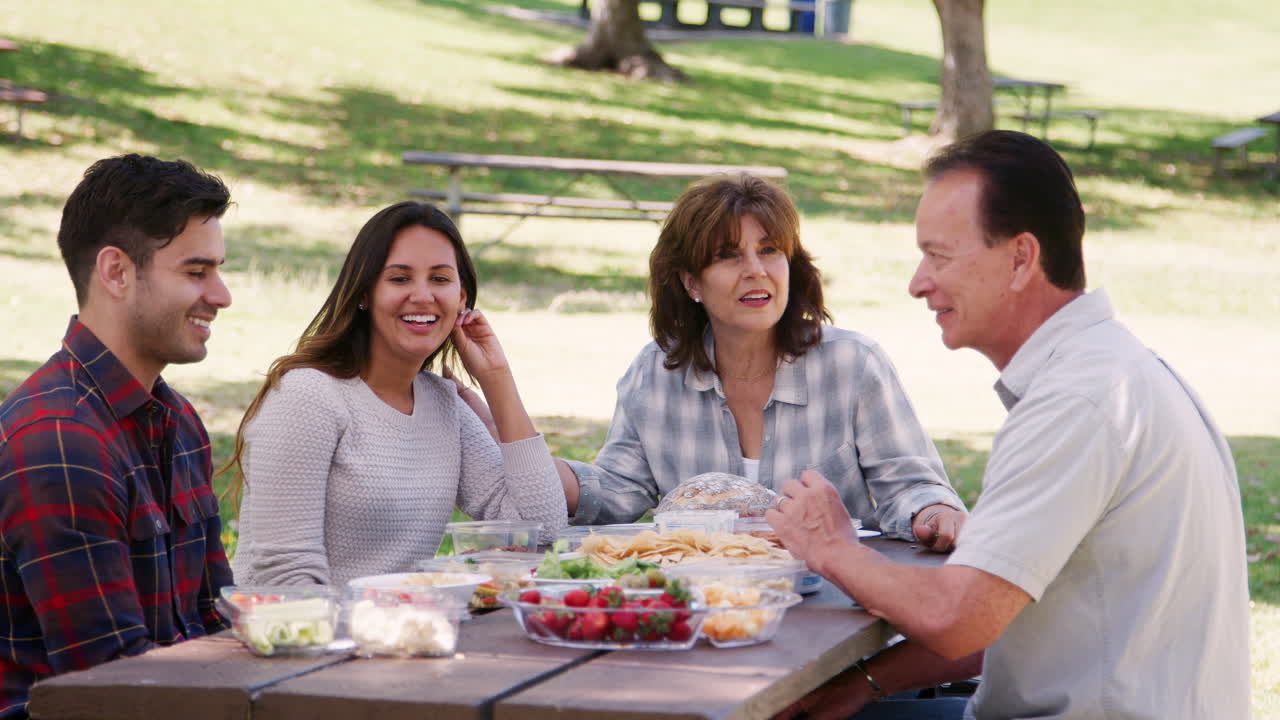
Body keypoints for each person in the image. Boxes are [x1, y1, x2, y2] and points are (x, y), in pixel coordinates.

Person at [768, 130, 1250, 719]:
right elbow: (999, 612)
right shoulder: (1112, 372)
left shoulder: (1076, 402)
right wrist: (863, 683)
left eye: (939, 256)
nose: (918, 283)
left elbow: (958, 617)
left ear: (1021, 258)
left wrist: (830, 548)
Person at [560, 174, 966, 549]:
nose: (755, 271)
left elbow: (912, 487)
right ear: (691, 281)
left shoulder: (852, 364)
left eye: (769, 250)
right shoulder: (655, 373)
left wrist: (934, 513)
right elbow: (617, 490)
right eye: (728, 255)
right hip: (708, 596)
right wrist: (530, 464)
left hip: (834, 594)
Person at [0, 155, 235, 719]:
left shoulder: (179, 423)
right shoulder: (59, 440)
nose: (222, 295)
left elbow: (218, 623)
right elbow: (113, 688)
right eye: (196, 272)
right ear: (116, 272)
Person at [227, 201, 567, 587]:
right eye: (400, 278)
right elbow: (285, 576)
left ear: (461, 299)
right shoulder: (307, 397)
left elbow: (542, 532)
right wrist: (372, 622)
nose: (422, 295)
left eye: (440, 279)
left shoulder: (442, 403)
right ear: (364, 293)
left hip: (402, 621)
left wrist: (497, 378)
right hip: (300, 622)